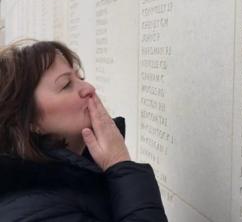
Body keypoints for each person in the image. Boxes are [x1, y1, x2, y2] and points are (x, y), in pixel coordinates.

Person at [0, 40, 168, 221]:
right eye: (66, 85)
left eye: (79, 78)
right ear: (28, 121)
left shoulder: (75, 176)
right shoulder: (34, 212)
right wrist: (119, 163)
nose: (89, 88)